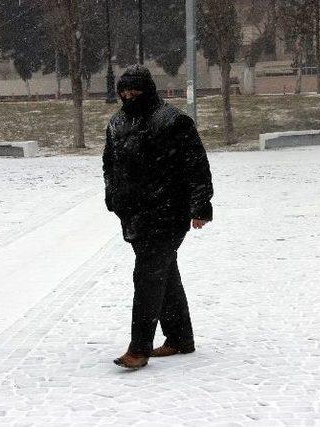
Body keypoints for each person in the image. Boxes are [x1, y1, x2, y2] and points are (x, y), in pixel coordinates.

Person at [102, 64, 214, 370]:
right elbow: (109, 165)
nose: (128, 95)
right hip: (135, 213)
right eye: (123, 91)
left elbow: (196, 165)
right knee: (164, 272)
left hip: (168, 212)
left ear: (148, 89)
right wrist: (113, 196)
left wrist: (200, 205)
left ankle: (139, 349)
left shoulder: (174, 121)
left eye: (134, 90)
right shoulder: (117, 123)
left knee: (148, 275)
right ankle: (180, 338)